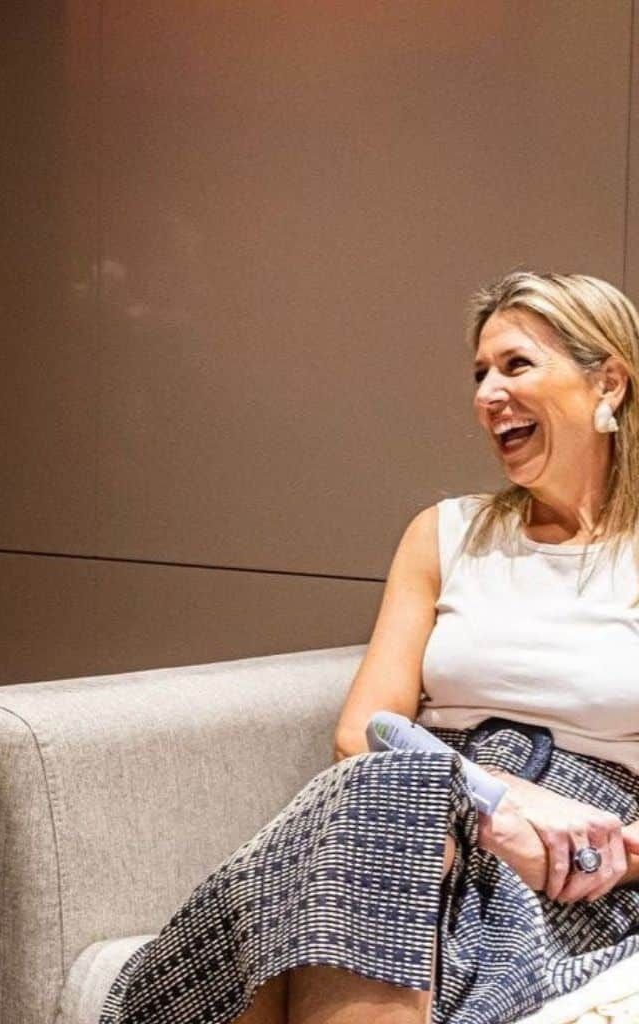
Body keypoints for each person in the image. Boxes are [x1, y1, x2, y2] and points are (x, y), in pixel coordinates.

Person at [99, 270, 639, 1024]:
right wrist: (493, 796)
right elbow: (360, 734)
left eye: (516, 365)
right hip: (419, 800)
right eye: (479, 374)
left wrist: (597, 850)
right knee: (383, 793)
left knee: (362, 845)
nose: (488, 395)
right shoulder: (444, 533)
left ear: (608, 382)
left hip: (574, 858)